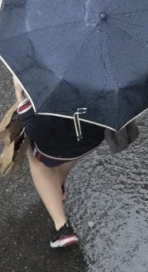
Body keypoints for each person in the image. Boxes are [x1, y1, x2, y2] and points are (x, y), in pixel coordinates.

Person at [13, 76, 105, 249]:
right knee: (70, 149)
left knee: (38, 160)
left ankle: (61, 228)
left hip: (56, 136)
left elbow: (34, 127)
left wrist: (20, 95)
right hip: (92, 134)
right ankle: (58, 185)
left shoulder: (50, 79)